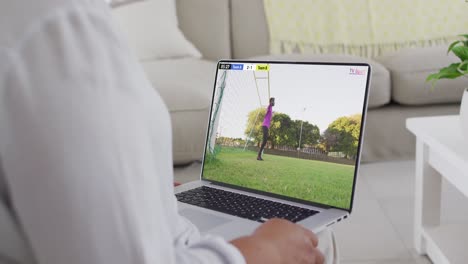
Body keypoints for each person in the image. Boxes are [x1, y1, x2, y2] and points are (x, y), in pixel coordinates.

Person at [0, 0, 338, 263]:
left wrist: (152, 191)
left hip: (174, 230)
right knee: (321, 245)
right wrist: (265, 253)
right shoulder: (61, 22)